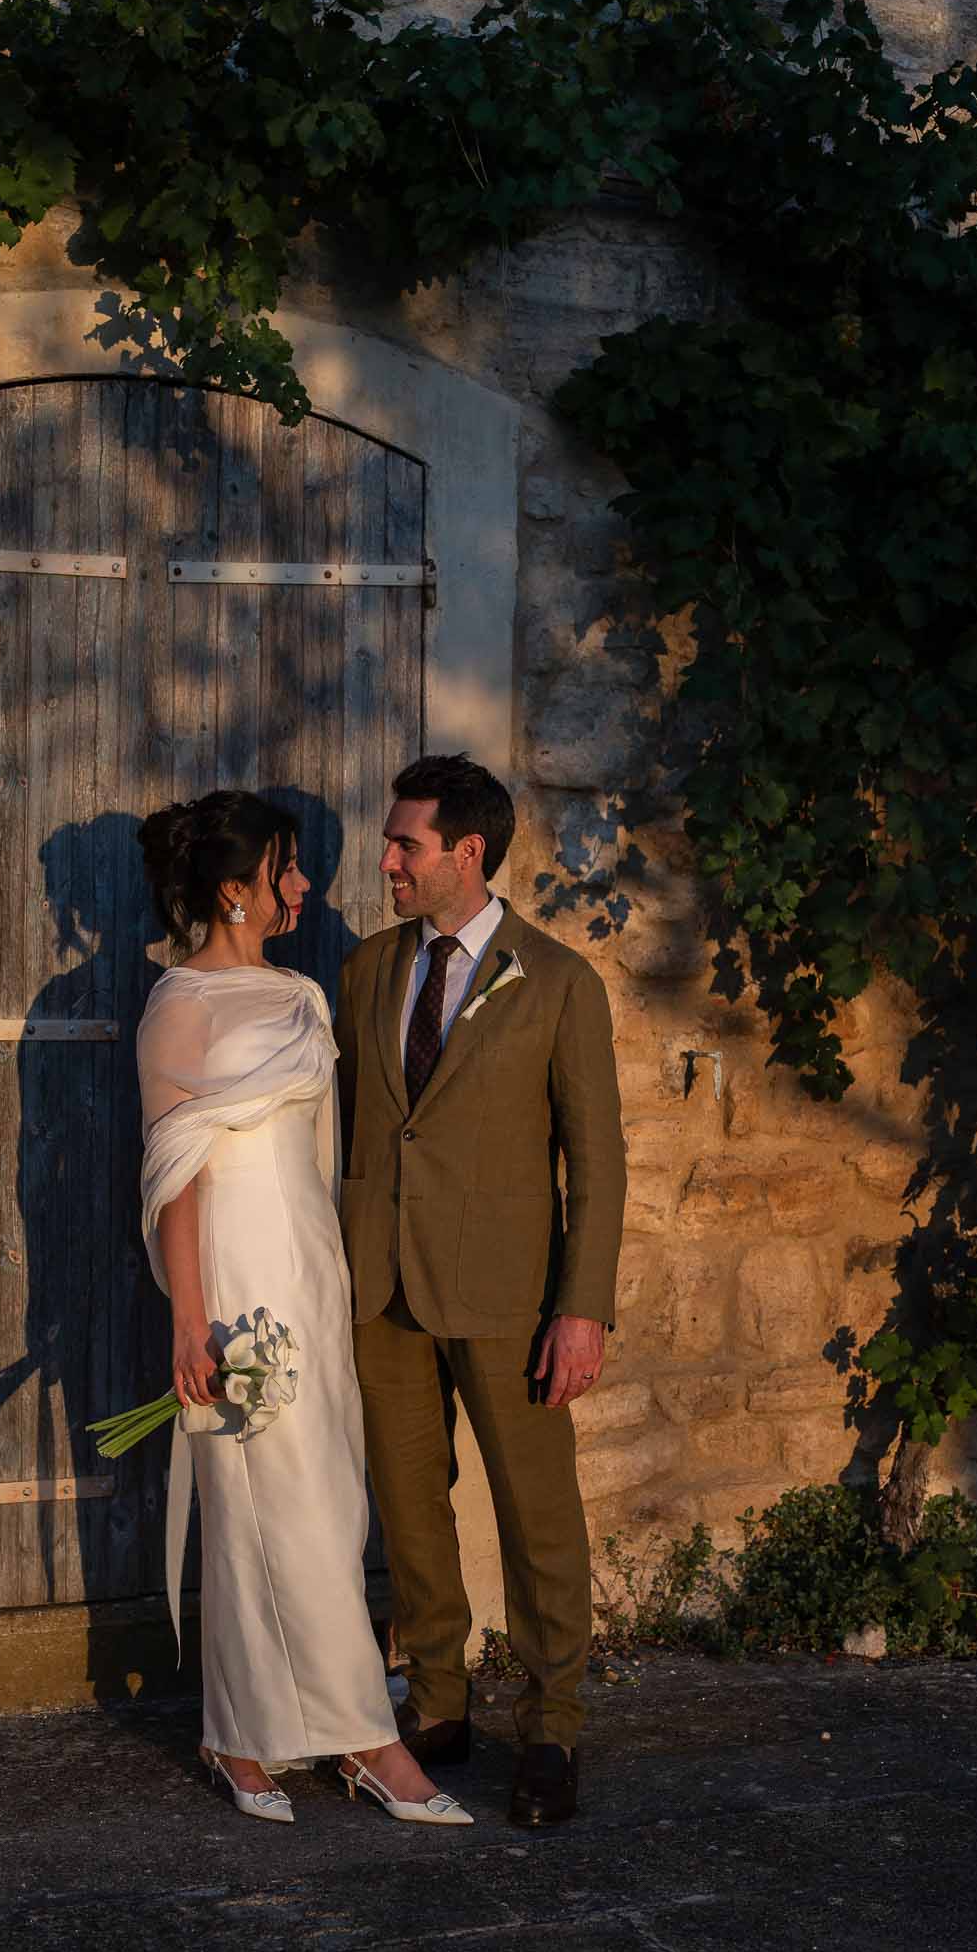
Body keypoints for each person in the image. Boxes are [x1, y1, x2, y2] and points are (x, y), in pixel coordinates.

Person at [135, 789, 472, 1828]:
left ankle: (241, 1732)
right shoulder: (178, 1004)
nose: (302, 886)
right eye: (283, 869)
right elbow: (175, 1177)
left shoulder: (302, 994)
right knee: (257, 1509)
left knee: (327, 1499)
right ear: (233, 889)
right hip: (235, 1277)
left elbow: (326, 1152)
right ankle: (365, 1739)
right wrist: (191, 1321)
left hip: (310, 1270)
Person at [334, 754, 627, 1828]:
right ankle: (441, 1702)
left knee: (537, 1517)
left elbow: (596, 1160)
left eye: (405, 843)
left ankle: (553, 1726)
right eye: (388, 839)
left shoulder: (557, 981)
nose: (387, 859)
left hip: (513, 1300)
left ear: (468, 851)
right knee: (411, 1512)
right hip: (382, 1291)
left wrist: (581, 1305)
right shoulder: (367, 970)